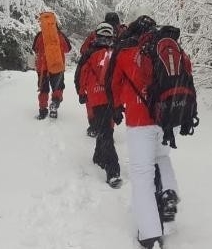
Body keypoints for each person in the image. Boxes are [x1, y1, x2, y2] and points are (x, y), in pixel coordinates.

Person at [107, 15, 182, 249]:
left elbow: (114, 85)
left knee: (142, 176)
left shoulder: (126, 52)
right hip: (168, 119)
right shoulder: (167, 48)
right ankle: (169, 194)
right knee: (162, 157)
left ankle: (149, 233)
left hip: (140, 121)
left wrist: (117, 108)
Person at [76, 22, 122, 188]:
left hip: (96, 97)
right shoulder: (116, 53)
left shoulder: (90, 53)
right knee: (106, 131)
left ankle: (105, 164)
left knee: (104, 131)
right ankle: (108, 167)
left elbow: (82, 74)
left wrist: (82, 92)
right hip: (111, 98)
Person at [77, 12, 126, 135]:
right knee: (111, 100)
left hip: (94, 75)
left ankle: (94, 126)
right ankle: (108, 128)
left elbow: (83, 50)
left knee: (93, 99)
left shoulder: (96, 33)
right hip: (113, 75)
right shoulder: (122, 33)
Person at [32, 12, 71, 120]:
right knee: (58, 87)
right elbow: (68, 49)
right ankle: (55, 103)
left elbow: (35, 48)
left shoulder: (40, 36)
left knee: (43, 89)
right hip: (57, 66)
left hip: (42, 67)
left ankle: (42, 110)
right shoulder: (60, 36)